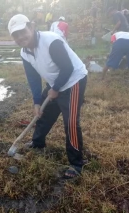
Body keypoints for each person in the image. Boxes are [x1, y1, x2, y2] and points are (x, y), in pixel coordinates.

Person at [9, 14, 88, 180]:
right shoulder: (25, 53)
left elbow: (67, 68)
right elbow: (33, 78)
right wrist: (37, 102)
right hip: (55, 84)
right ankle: (38, 144)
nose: (20, 37)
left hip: (74, 81)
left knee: (71, 123)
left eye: (23, 31)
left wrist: (57, 88)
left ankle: (76, 164)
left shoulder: (52, 41)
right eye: (16, 35)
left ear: (32, 26)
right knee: (43, 115)